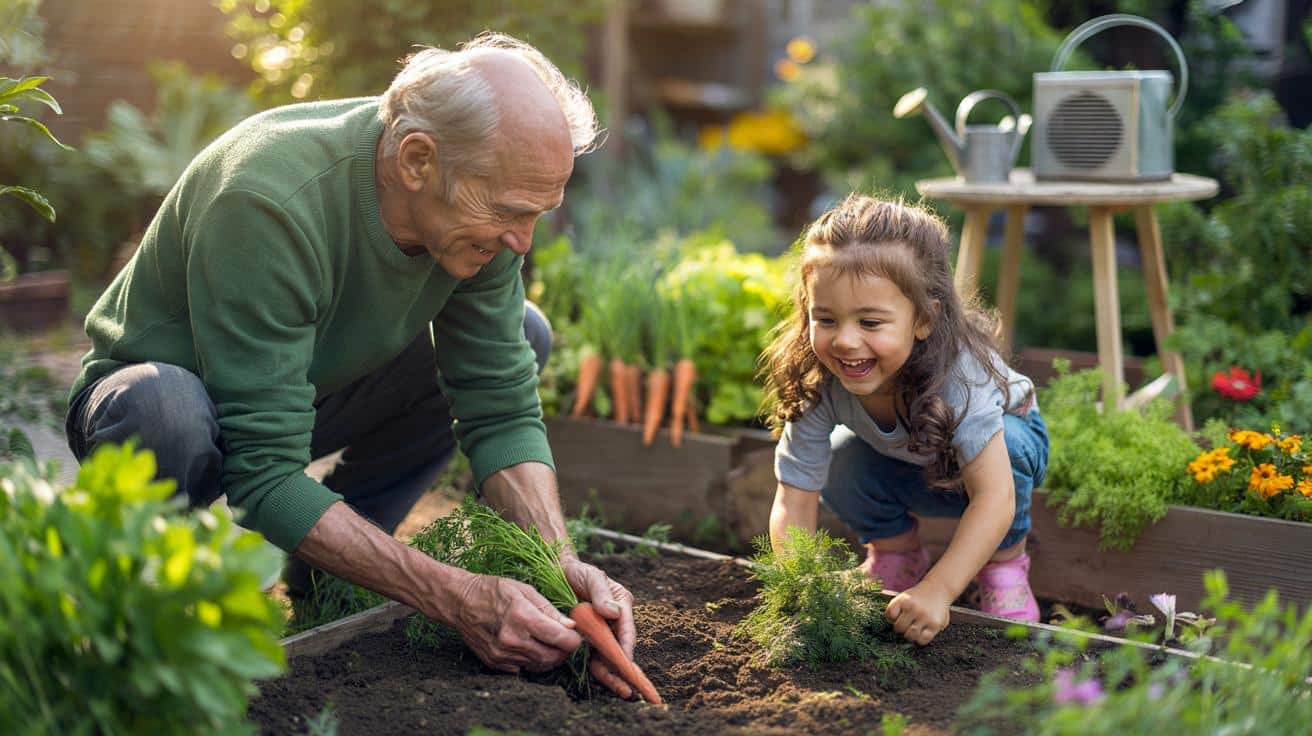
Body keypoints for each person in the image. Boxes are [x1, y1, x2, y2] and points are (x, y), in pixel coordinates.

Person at [63, 33, 644, 698]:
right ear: (418, 161)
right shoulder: (270, 198)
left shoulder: (481, 196)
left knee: (526, 332)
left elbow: (499, 404)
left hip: (302, 391)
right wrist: (454, 596)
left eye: (537, 214)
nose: (522, 241)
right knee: (165, 410)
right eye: (511, 213)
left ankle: (334, 569)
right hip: (158, 404)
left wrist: (557, 562)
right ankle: (148, 602)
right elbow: (264, 474)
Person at [759, 194, 1049, 646]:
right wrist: (799, 582)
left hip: (1001, 464)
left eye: (870, 323)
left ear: (924, 320)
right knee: (839, 459)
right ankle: (897, 554)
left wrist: (939, 592)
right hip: (914, 462)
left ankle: (1004, 565)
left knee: (1008, 449)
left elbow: (994, 496)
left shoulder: (958, 377)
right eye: (827, 319)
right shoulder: (820, 379)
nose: (845, 341)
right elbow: (795, 497)